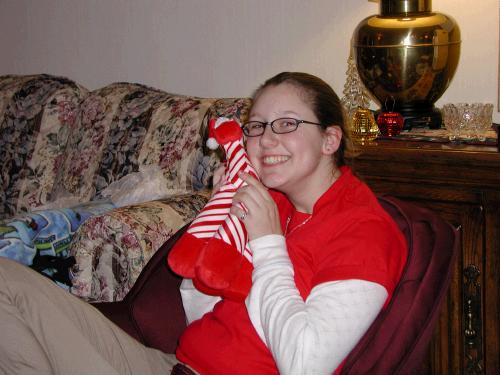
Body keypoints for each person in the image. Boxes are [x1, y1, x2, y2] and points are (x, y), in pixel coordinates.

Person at [0, 72, 407, 375]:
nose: (266, 140)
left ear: (330, 140)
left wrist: (267, 244)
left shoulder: (364, 231)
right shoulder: (275, 204)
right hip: (172, 365)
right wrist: (221, 224)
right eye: (257, 126)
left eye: (287, 124)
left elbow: (305, 364)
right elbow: (199, 311)